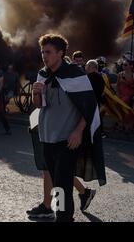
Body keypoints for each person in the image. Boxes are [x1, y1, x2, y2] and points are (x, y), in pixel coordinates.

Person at [32, 34, 105, 222]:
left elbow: (89, 106)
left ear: (60, 53)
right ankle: (62, 214)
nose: (44, 56)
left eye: (48, 52)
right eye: (42, 52)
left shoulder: (75, 75)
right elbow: (39, 106)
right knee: (57, 183)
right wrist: (36, 94)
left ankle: (64, 218)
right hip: (46, 137)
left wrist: (78, 131)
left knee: (63, 184)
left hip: (68, 140)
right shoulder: (43, 74)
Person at [116, 60, 134, 132]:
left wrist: (126, 83)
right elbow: (117, 85)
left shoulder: (133, 75)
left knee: (128, 111)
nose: (124, 66)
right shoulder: (120, 74)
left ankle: (128, 125)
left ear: (131, 66)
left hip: (130, 95)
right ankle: (122, 124)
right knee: (120, 109)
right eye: (123, 65)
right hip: (121, 95)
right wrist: (117, 94)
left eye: (126, 65)